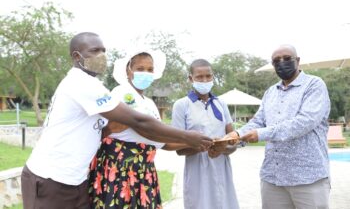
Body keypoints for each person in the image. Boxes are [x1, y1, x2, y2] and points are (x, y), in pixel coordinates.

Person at [21, 32, 212, 209]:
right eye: (94, 51)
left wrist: (196, 142)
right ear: (77, 56)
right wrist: (188, 136)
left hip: (76, 180)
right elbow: (139, 122)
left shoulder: (96, 86)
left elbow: (107, 130)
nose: (101, 55)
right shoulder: (81, 83)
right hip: (51, 178)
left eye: (103, 50)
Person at [230, 44, 331, 209]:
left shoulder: (314, 85)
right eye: (276, 60)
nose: (281, 63)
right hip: (273, 178)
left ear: (297, 61)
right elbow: (258, 121)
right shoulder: (270, 92)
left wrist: (261, 134)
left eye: (286, 58)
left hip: (307, 177)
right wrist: (236, 134)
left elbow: (304, 122)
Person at [89, 48, 187, 208]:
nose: (146, 73)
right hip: (120, 170)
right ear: (128, 71)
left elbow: (160, 140)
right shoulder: (119, 93)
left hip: (144, 171)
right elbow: (140, 128)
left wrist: (198, 142)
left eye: (150, 70)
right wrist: (189, 137)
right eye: (140, 69)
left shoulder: (149, 103)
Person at [171, 59, 240, 209]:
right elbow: (178, 148)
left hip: (222, 168)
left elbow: (233, 140)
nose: (205, 80)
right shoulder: (182, 105)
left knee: (225, 203)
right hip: (197, 171)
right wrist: (202, 146)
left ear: (213, 77)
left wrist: (223, 147)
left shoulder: (221, 104)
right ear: (190, 78)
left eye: (208, 76)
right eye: (199, 77)